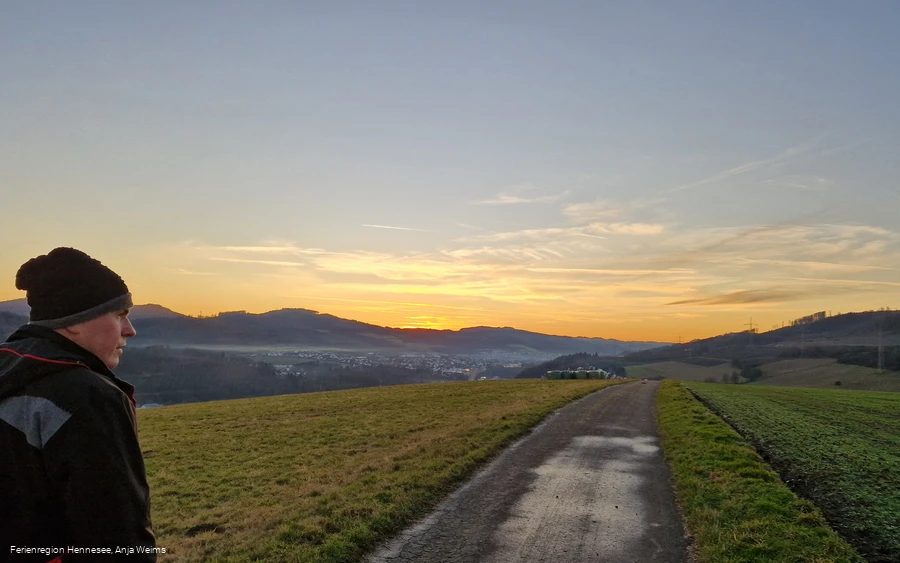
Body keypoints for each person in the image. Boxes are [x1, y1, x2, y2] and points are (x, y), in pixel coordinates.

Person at [0, 248, 156, 562]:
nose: (130, 330)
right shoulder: (86, 396)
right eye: (119, 315)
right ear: (74, 322)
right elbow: (117, 539)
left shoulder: (9, 372)